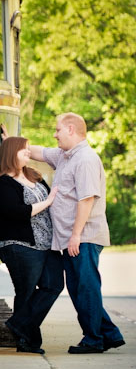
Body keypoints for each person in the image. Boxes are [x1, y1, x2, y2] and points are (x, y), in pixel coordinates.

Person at [28, 112, 125, 354]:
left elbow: (86, 199)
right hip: (71, 239)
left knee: (86, 288)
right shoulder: (64, 156)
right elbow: (38, 152)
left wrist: (76, 236)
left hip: (84, 237)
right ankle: (109, 334)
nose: (54, 134)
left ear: (71, 130)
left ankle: (93, 340)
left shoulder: (85, 159)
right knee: (78, 288)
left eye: (58, 130)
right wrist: (12, 143)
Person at [0, 136, 64, 354]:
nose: (28, 152)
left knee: (54, 285)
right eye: (23, 150)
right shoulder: (3, 182)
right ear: (11, 153)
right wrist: (48, 202)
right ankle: (27, 342)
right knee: (26, 291)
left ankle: (20, 324)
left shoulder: (33, 175)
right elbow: (16, 212)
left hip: (46, 243)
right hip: (19, 244)